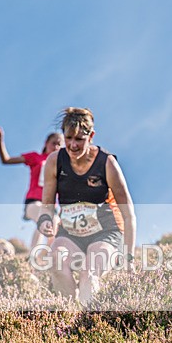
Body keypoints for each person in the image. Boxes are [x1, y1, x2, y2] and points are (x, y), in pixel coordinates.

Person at [36, 107, 137, 305]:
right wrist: (45, 219)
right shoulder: (54, 161)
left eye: (79, 139)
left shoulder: (107, 164)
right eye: (68, 138)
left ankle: (88, 321)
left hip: (106, 231)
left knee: (89, 274)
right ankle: (69, 316)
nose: (73, 145)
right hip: (70, 233)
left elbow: (129, 215)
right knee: (56, 262)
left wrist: (129, 258)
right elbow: (47, 205)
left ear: (91, 136)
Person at [0, 125, 63, 252]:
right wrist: (0, 140)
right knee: (46, 218)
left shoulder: (61, 166)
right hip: (33, 202)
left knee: (53, 224)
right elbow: (6, 160)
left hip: (52, 206)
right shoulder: (35, 157)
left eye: (59, 145)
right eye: (54, 143)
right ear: (46, 143)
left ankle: (46, 260)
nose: (56, 147)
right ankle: (34, 260)